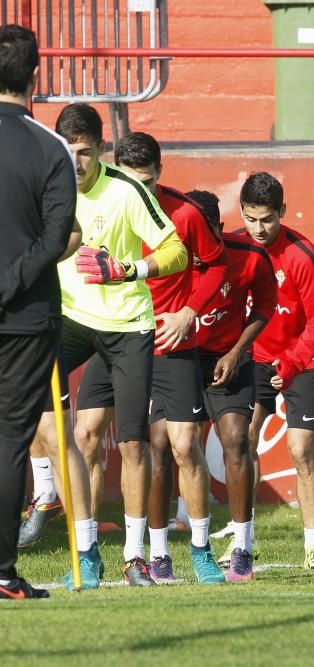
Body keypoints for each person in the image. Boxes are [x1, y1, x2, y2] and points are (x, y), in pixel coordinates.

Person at [70, 132, 229, 585]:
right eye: (130, 179)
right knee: (85, 436)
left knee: (182, 446)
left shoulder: (184, 213)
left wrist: (189, 312)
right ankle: (90, 556)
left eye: (146, 181)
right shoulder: (104, 201)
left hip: (169, 344)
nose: (138, 190)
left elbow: (216, 266)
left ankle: (200, 551)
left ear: (159, 173)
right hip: (116, 334)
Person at [40, 102, 189, 588]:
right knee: (54, 425)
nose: (76, 162)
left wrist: (129, 270)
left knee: (132, 443)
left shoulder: (126, 191)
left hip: (128, 324)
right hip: (69, 320)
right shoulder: (48, 185)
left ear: (102, 150)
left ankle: (133, 555)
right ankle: (84, 550)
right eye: (68, 151)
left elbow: (176, 252)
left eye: (85, 152)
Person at [0, 25, 78, 600]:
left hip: (25, 314)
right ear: (35, 76)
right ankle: (2, 572)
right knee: (9, 440)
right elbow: (57, 239)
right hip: (26, 317)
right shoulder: (52, 148)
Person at [182, 189, 277, 582]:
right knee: (172, 446)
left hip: (229, 360)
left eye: (207, 231)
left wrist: (238, 351)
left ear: (219, 228)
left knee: (237, 440)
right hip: (179, 362)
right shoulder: (166, 258)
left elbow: (265, 307)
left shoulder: (251, 256)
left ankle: (242, 547)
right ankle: (169, 549)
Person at [241, 172, 314, 571]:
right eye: (250, 218)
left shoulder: (301, 254)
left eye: (267, 219)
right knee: (240, 440)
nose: (259, 229)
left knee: (300, 450)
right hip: (256, 358)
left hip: (304, 361)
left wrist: (292, 363)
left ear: (282, 211)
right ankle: (243, 541)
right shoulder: (236, 247)